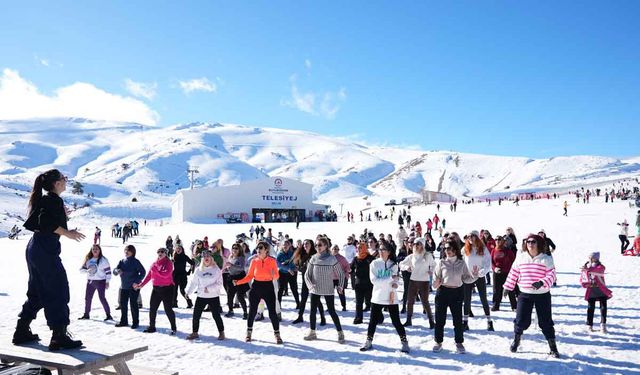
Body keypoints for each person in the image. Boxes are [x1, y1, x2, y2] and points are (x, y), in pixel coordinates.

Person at [14, 169, 85, 350]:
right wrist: (67, 233)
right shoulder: (53, 200)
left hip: (35, 248)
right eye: (64, 178)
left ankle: (22, 329)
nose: (66, 180)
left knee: (37, 290)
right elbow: (45, 221)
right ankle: (58, 335)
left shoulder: (48, 200)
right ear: (56, 183)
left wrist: (63, 224)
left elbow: (43, 220)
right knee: (58, 288)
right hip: (45, 248)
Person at [503, 234, 559, 358]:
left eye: (533, 242)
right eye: (528, 242)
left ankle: (553, 347)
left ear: (538, 243)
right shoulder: (521, 257)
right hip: (525, 294)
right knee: (521, 320)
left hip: (542, 295)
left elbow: (552, 275)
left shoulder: (546, 258)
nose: (530, 244)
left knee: (546, 322)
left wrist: (541, 282)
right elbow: (514, 272)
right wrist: (508, 286)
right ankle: (516, 341)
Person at [360, 241, 410, 353]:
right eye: (380, 249)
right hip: (377, 296)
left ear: (389, 252)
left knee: (396, 321)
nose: (381, 252)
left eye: (383, 250)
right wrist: (390, 279)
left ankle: (404, 342)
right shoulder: (374, 264)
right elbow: (374, 281)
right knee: (373, 321)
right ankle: (368, 341)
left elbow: (395, 281)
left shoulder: (394, 264)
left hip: (391, 297)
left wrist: (395, 283)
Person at [432, 238, 476, 354]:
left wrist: (474, 275)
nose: (447, 251)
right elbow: (435, 279)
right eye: (445, 248)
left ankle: (459, 343)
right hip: (443, 292)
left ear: (455, 250)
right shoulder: (441, 262)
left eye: (450, 248)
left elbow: (466, 278)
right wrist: (436, 283)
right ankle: (438, 342)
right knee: (440, 319)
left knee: (457, 320)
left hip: (457, 292)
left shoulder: (461, 263)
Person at [234, 241, 282, 344]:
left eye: (261, 248)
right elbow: (249, 276)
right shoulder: (254, 261)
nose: (258, 250)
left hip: (268, 287)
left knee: (272, 313)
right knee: (252, 311)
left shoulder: (272, 261)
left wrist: (273, 275)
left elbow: (277, 276)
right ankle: (249, 333)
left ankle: (277, 334)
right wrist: (238, 282)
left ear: (266, 250)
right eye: (257, 248)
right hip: (256, 287)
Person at [303, 237, 345, 343]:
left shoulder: (331, 258)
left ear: (326, 246)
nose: (317, 247)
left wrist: (340, 286)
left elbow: (340, 273)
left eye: (320, 245)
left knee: (332, 311)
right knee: (312, 311)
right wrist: (310, 286)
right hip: (315, 289)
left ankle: (340, 333)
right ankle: (312, 332)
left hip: (328, 289)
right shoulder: (313, 258)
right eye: (316, 245)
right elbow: (307, 274)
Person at [133, 248, 177, 335]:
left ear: (166, 254)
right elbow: (149, 276)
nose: (160, 253)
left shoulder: (169, 263)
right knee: (152, 308)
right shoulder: (155, 263)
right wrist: (141, 285)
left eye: (162, 252)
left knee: (168, 309)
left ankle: (173, 327)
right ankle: (152, 327)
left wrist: (156, 270)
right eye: (158, 252)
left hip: (167, 289)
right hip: (156, 289)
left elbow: (166, 274)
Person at [186, 250, 225, 340]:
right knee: (196, 315)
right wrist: (188, 292)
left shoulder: (216, 269)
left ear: (211, 258)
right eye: (204, 257)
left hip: (213, 297)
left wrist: (209, 289)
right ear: (202, 259)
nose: (206, 258)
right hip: (201, 296)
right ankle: (195, 332)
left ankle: (221, 333)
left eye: (208, 257)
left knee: (216, 315)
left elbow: (219, 284)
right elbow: (194, 283)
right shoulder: (198, 270)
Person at [400, 238, 436, 328]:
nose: (415, 245)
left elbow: (434, 265)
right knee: (410, 301)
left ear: (422, 245)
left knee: (425, 301)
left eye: (418, 244)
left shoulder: (427, 255)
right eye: (414, 244)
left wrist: (431, 270)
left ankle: (431, 321)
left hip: (424, 281)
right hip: (413, 280)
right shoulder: (412, 256)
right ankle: (409, 320)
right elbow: (400, 264)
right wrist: (406, 267)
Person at [462, 231, 494, 331]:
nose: (470, 238)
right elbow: (460, 261)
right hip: (468, 277)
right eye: (468, 237)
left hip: (479, 276)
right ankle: (465, 322)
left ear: (476, 237)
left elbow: (488, 264)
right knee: (467, 300)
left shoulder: (483, 249)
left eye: (472, 236)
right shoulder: (465, 249)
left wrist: (480, 272)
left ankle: (489, 321)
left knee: (483, 299)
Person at [292, 240, 326, 324]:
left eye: (307, 243)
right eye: (304, 244)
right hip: (305, 280)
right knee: (303, 299)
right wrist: (300, 268)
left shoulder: (315, 255)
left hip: (314, 281)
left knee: (317, 301)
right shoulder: (302, 255)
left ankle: (322, 318)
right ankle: (300, 317)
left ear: (311, 245)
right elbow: (300, 267)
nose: (305, 245)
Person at [114, 245, 145, 329]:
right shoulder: (122, 261)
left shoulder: (136, 262)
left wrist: (137, 282)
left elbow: (143, 272)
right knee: (123, 305)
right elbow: (115, 270)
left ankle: (135, 322)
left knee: (133, 304)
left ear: (133, 252)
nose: (126, 252)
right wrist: (117, 271)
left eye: (128, 250)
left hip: (133, 287)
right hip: (124, 287)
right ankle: (124, 321)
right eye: (125, 250)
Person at [78, 244, 112, 321]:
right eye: (93, 249)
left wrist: (107, 282)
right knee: (88, 298)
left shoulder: (103, 260)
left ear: (100, 250)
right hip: (90, 282)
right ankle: (86, 315)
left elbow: (108, 272)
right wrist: (87, 270)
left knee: (102, 298)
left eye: (97, 249)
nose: (95, 250)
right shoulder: (88, 260)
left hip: (100, 282)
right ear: (91, 250)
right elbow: (81, 270)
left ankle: (108, 315)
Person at [580, 252, 612, 332]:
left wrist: (588, 270)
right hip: (591, 290)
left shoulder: (601, 266)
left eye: (592, 257)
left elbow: (598, 270)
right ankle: (589, 325)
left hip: (601, 290)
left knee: (603, 308)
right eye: (590, 257)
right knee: (590, 308)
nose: (590, 259)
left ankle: (603, 324)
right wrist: (584, 284)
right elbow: (582, 278)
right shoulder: (586, 266)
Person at [351, 240, 375, 324]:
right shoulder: (356, 259)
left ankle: (378, 317)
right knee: (359, 303)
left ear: (364, 248)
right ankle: (358, 318)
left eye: (360, 247)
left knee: (372, 302)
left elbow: (376, 268)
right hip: (359, 283)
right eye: (357, 248)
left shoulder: (370, 258)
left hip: (369, 283)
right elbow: (351, 269)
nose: (359, 249)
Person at [491, 236, 517, 311]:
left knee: (510, 289)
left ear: (502, 241)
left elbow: (513, 261)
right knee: (496, 290)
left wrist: (509, 270)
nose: (497, 241)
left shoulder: (507, 250)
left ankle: (514, 306)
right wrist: (494, 268)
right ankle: (496, 305)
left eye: (499, 239)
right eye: (496, 239)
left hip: (507, 273)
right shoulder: (493, 250)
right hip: (497, 273)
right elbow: (492, 262)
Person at [224, 243, 249, 318]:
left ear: (239, 250)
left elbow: (241, 268)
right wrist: (227, 268)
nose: (234, 250)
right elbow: (229, 267)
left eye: (236, 248)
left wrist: (231, 265)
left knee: (240, 296)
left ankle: (245, 312)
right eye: (233, 248)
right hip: (231, 277)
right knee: (230, 295)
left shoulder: (241, 257)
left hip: (239, 277)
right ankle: (230, 310)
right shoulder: (230, 257)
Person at [276, 239, 300, 308]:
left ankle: (298, 303)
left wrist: (296, 267)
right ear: (282, 246)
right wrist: (287, 268)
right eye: (284, 244)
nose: (285, 246)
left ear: (289, 245)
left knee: (294, 288)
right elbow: (278, 264)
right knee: (280, 289)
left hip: (291, 274)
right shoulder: (280, 254)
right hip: (282, 273)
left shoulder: (292, 253)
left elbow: (294, 262)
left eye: (287, 244)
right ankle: (279, 304)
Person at [332, 245, 351, 311]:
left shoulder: (342, 258)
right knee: (330, 294)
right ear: (332, 250)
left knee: (341, 293)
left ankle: (344, 306)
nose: (335, 250)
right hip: (330, 279)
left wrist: (346, 274)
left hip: (339, 278)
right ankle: (330, 307)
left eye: (337, 249)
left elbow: (347, 267)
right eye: (334, 249)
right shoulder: (329, 258)